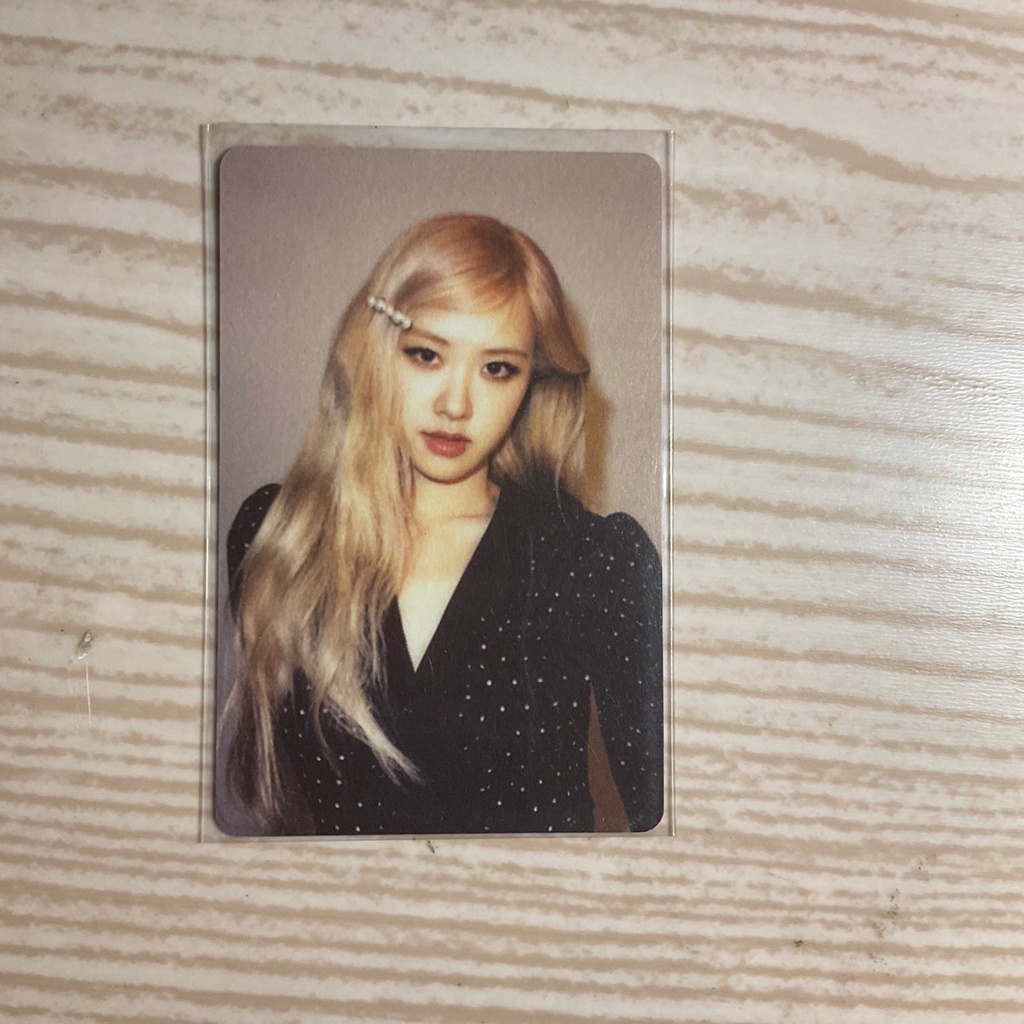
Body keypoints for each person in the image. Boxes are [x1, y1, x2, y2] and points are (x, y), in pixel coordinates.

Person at [221, 213, 663, 836]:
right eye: (426, 355)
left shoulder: (597, 560)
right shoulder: (278, 538)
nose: (455, 404)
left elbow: (678, 831)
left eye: (497, 368)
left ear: (533, 380)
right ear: (377, 349)